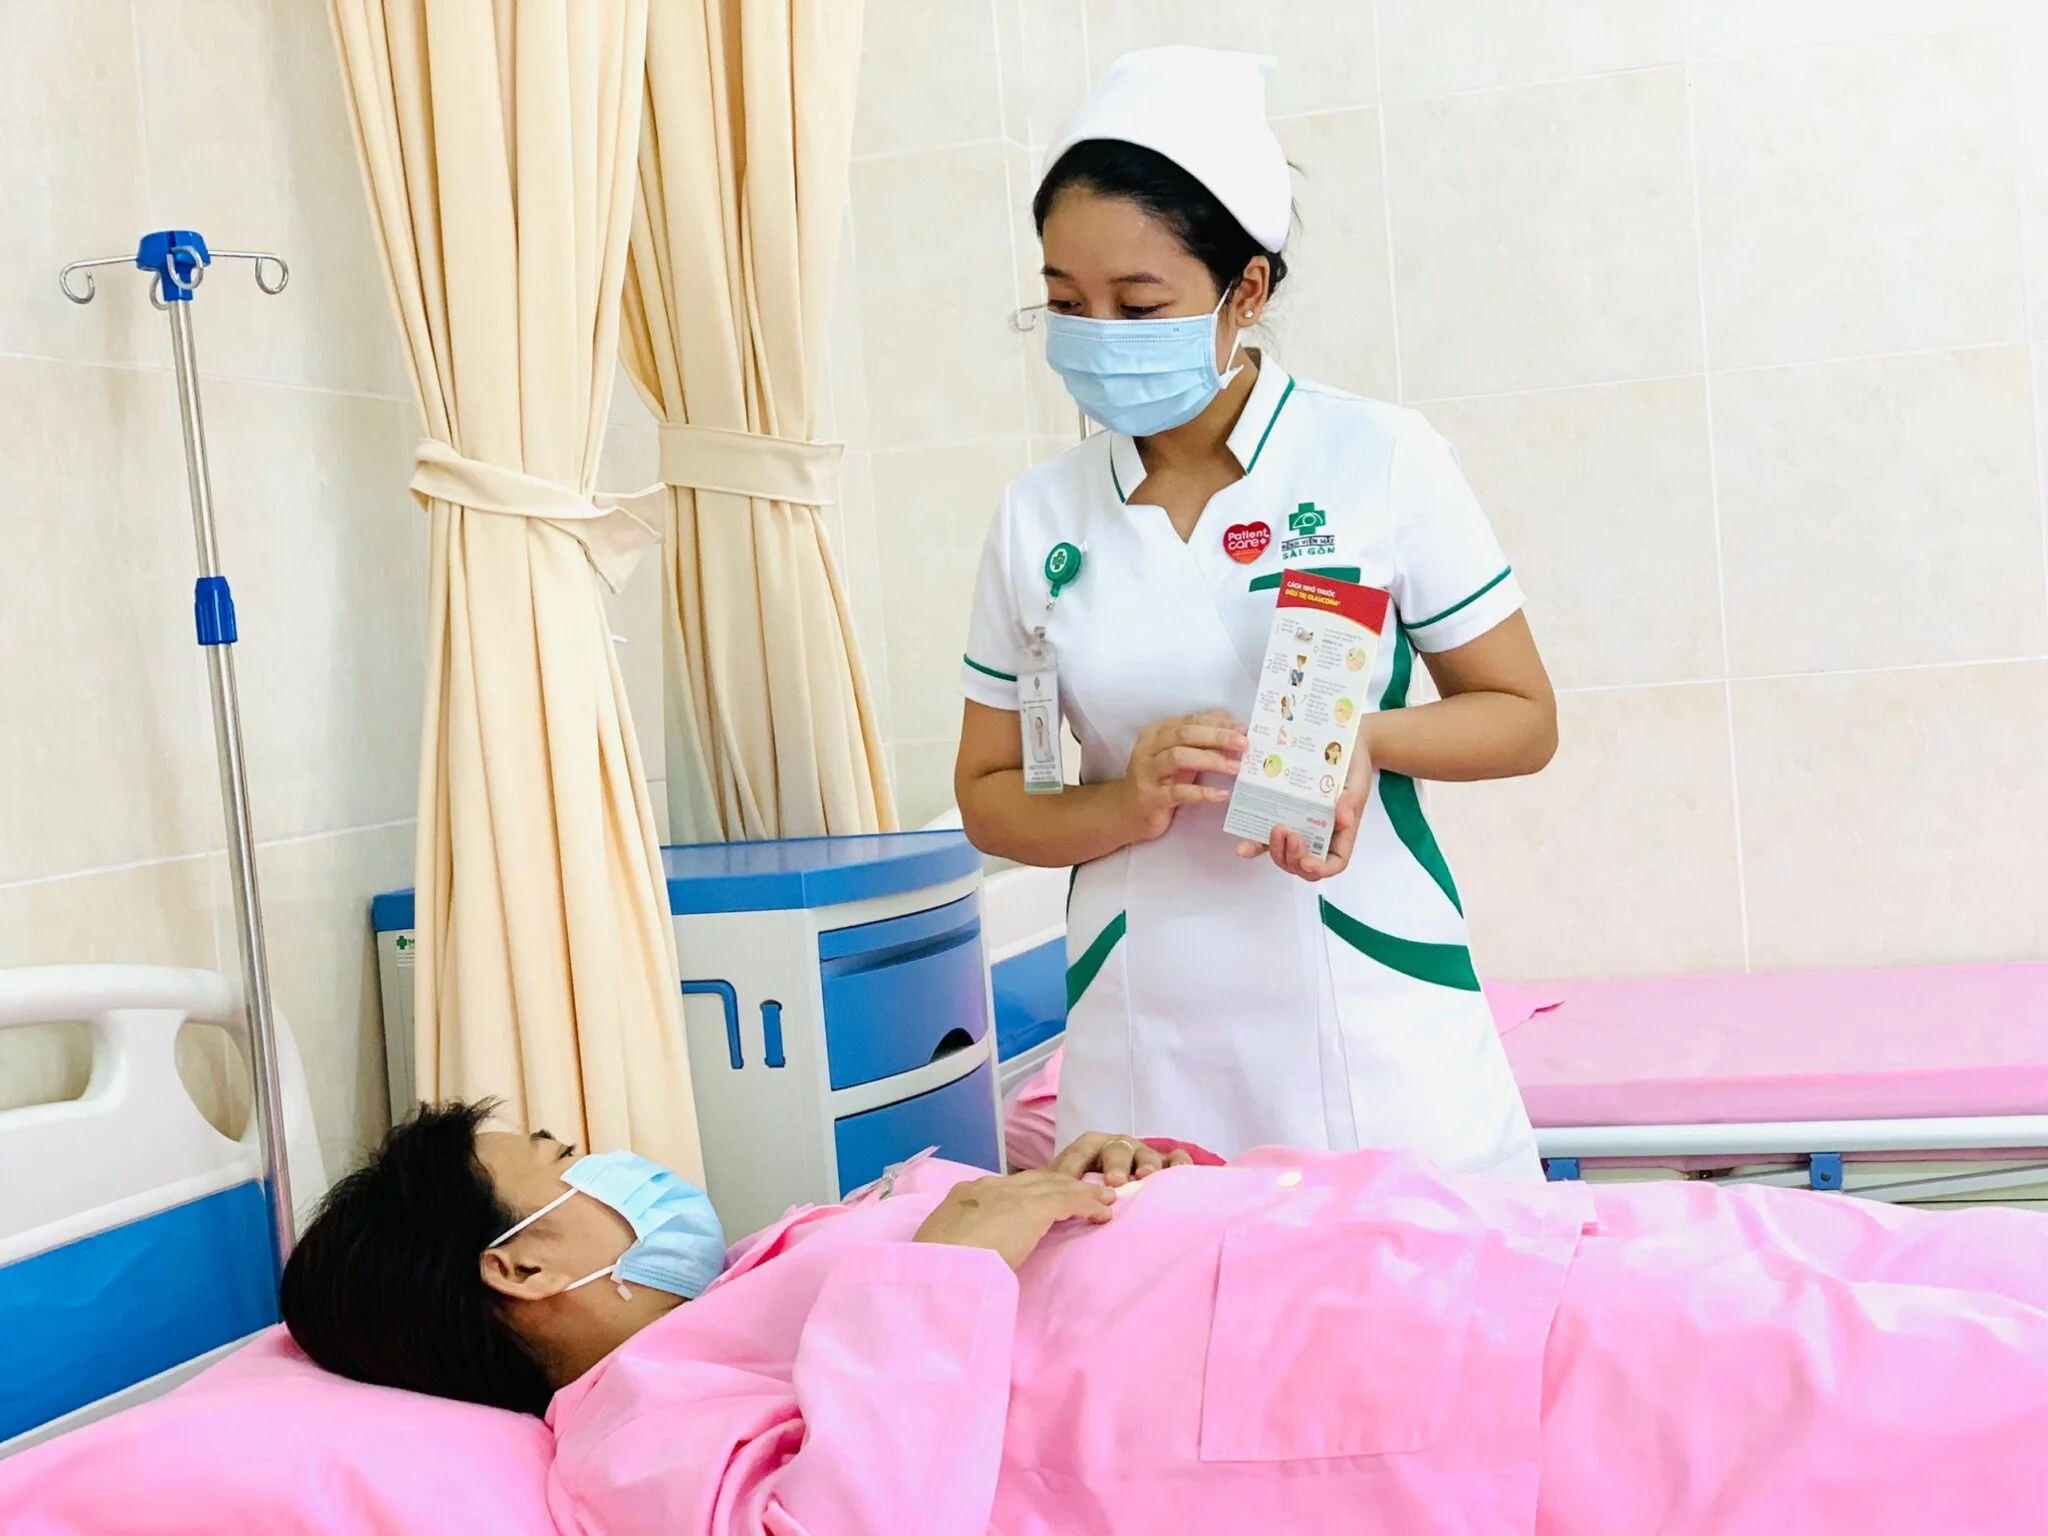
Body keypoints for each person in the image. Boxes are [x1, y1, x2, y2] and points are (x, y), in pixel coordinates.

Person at [276, 1103, 2048, 1535]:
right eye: (561, 1164)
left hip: (1477, 1264)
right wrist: (953, 1255)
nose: (616, 1166)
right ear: (522, 1265)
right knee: (1949, 1395)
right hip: (1456, 1390)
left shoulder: (745, 1275)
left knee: (1943, 1272)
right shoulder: (631, 1435)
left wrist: (1115, 1179)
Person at [954, 47, 1555, 1173]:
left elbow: (1521, 718)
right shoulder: (1038, 518)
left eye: (1138, 303)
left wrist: (1366, 739)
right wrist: (1123, 802)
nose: (1098, 333)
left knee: (1403, 1280)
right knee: (1161, 1282)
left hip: (1367, 1006)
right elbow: (992, 798)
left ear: (1246, 292)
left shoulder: (1376, 457)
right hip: (1143, 1027)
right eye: (1065, 303)